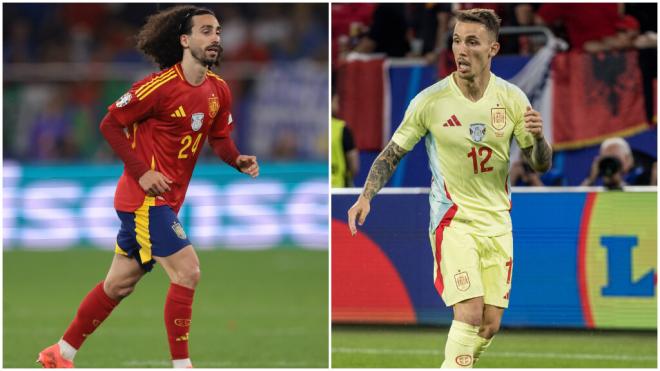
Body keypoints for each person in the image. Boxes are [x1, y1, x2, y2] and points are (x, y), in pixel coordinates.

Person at [37, 5, 259, 368]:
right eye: (205, 31)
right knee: (188, 271)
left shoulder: (219, 90)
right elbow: (110, 124)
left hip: (167, 202)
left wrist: (236, 159)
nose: (215, 38)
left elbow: (219, 137)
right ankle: (182, 365)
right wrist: (142, 172)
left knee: (118, 285)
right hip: (143, 199)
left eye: (217, 31)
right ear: (185, 40)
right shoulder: (158, 87)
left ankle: (60, 353)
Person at [347, 9, 551, 368]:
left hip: (497, 223)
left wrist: (537, 137)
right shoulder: (430, 100)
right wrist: (366, 195)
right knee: (469, 312)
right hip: (452, 221)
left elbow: (540, 163)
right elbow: (393, 153)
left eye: (472, 41)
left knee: (488, 325)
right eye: (457, 40)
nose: (461, 49)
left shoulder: (513, 98)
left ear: (493, 49)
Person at [331, 91, 359, 187]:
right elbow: (354, 166)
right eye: (336, 101)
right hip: (339, 187)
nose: (338, 105)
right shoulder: (342, 129)